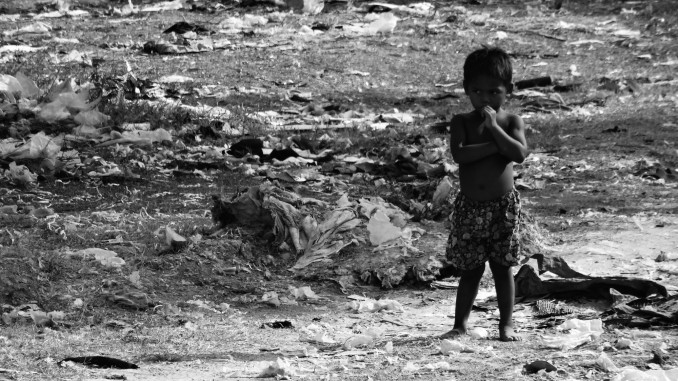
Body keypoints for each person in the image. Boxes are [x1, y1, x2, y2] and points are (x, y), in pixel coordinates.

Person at [442, 46, 529, 342]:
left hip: (503, 208)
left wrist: (494, 130)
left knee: (503, 267)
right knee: (471, 269)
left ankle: (506, 325)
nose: (485, 98)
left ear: (509, 91)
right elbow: (460, 155)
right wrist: (494, 146)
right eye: (477, 91)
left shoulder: (511, 122)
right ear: (466, 90)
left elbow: (518, 153)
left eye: (494, 92)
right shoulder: (461, 123)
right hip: (470, 207)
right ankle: (460, 324)